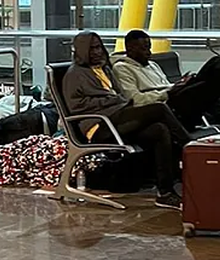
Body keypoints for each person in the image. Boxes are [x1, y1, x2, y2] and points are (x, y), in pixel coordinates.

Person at [62, 31, 189, 210]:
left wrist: (115, 99)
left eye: (99, 47)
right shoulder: (74, 74)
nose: (97, 52)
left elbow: (119, 95)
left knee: (159, 130)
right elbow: (78, 106)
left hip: (118, 116)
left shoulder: (104, 68)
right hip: (99, 126)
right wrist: (111, 100)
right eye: (92, 49)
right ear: (82, 50)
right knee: (159, 109)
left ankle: (165, 193)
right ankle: (191, 147)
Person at [113, 29, 220, 131]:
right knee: (215, 65)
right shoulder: (122, 68)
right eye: (144, 49)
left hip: (175, 95)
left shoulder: (152, 65)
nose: (148, 53)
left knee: (216, 79)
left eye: (149, 48)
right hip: (167, 106)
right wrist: (168, 92)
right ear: (130, 48)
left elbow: (167, 85)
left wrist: (181, 83)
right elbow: (134, 100)